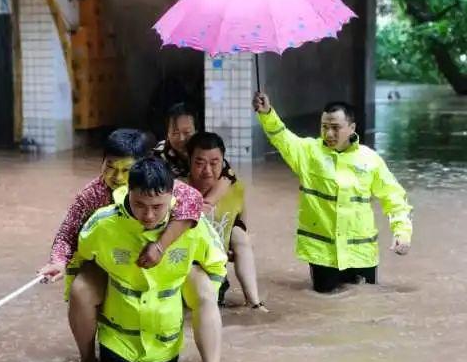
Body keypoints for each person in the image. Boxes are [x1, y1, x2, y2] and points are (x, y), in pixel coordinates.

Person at [38, 129, 223, 362]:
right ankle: (88, 361)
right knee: (81, 289)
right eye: (110, 167)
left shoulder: (168, 189)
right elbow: (68, 233)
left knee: (204, 290)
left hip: (165, 261)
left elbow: (194, 204)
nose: (116, 177)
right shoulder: (92, 196)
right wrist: (58, 262)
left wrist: (160, 246)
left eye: (126, 170)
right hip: (113, 261)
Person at [66, 156, 240, 362]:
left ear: (172, 197)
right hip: (117, 345)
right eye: (140, 205)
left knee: (204, 288)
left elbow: (217, 264)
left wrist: (195, 302)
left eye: (157, 207)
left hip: (166, 346)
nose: (148, 215)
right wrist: (75, 296)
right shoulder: (103, 224)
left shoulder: (193, 226)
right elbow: (77, 259)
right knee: (81, 287)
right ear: (128, 193)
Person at [252, 91, 413, 293]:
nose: (329, 134)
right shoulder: (308, 153)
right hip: (323, 254)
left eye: (336, 128)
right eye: (324, 127)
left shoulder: (370, 160)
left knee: (366, 305)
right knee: (324, 306)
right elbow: (281, 137)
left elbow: (395, 197)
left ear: (352, 128)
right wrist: (267, 113)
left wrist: (402, 232)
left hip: (361, 253)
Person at [187, 132, 266, 310]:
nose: (207, 170)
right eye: (199, 163)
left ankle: (254, 303)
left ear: (223, 162)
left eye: (214, 163)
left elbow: (241, 225)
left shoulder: (235, 189)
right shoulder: (178, 191)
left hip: (215, 271)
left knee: (240, 236)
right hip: (185, 271)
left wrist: (228, 247)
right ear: (189, 161)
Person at [153, 102, 235, 212]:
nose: (181, 138)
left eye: (187, 132)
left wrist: (208, 202)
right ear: (167, 134)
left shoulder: (201, 147)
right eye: (175, 133)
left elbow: (228, 174)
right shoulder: (158, 155)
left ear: (196, 131)